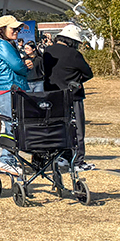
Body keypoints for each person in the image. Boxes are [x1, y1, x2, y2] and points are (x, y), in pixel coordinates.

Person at [42, 24, 95, 171]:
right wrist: (77, 80)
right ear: (72, 41)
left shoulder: (47, 51)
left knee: (60, 126)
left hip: (52, 95)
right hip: (72, 95)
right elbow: (88, 73)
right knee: (77, 128)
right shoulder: (73, 54)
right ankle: (78, 160)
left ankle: (63, 156)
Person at [0, 15, 31, 178]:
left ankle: (8, 157)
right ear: (2, 29)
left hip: (10, 88)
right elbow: (17, 66)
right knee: (11, 124)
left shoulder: (3, 44)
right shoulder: (1, 45)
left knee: (13, 124)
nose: (17, 31)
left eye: (18, 28)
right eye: (13, 28)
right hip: (8, 89)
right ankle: (5, 158)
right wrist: (25, 65)